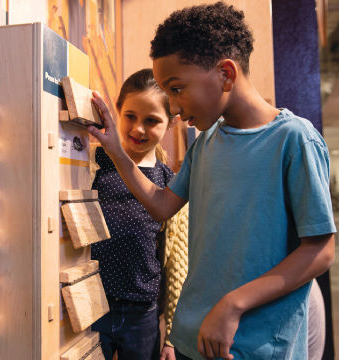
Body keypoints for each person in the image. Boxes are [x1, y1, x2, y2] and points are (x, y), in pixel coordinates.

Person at [87, 2, 336, 359]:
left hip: (253, 347)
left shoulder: (295, 140)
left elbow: (320, 251)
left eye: (176, 88)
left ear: (226, 74)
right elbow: (161, 205)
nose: (173, 107)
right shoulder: (206, 143)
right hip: (193, 337)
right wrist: (115, 150)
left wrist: (233, 304)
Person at [90, 68, 187, 360]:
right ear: (117, 110)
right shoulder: (93, 165)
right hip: (91, 304)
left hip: (141, 314)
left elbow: (177, 266)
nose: (138, 129)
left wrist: (172, 336)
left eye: (152, 121)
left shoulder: (170, 184)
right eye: (130, 116)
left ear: (170, 123)